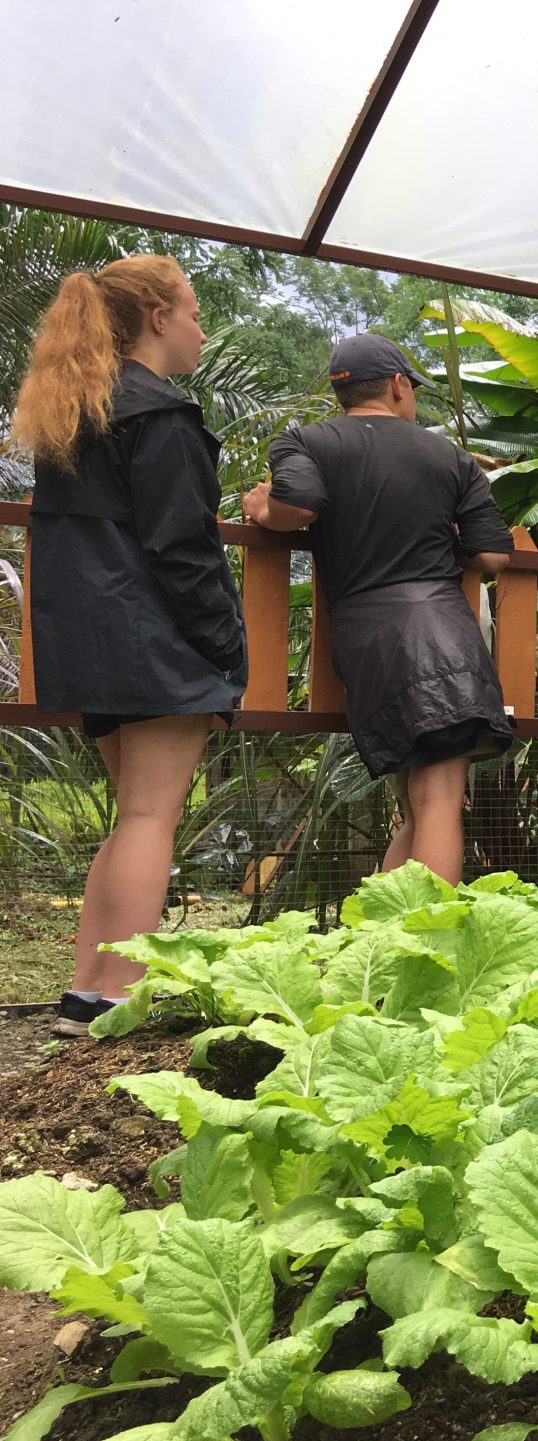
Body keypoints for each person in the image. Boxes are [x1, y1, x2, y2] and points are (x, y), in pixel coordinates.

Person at [8, 255, 245, 1027]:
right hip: (153, 640)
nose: (201, 329)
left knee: (131, 815)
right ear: (156, 317)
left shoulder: (77, 412)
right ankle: (121, 1002)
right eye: (195, 313)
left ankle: (87, 991)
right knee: (151, 819)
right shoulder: (158, 415)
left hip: (89, 640)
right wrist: (222, 650)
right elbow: (184, 550)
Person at [243, 334, 515, 884]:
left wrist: (259, 505)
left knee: (414, 807)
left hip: (365, 635)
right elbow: (493, 555)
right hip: (439, 630)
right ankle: (429, 942)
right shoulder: (452, 457)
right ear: (397, 386)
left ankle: (381, 938)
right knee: (438, 799)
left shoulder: (304, 441)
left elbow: (296, 506)